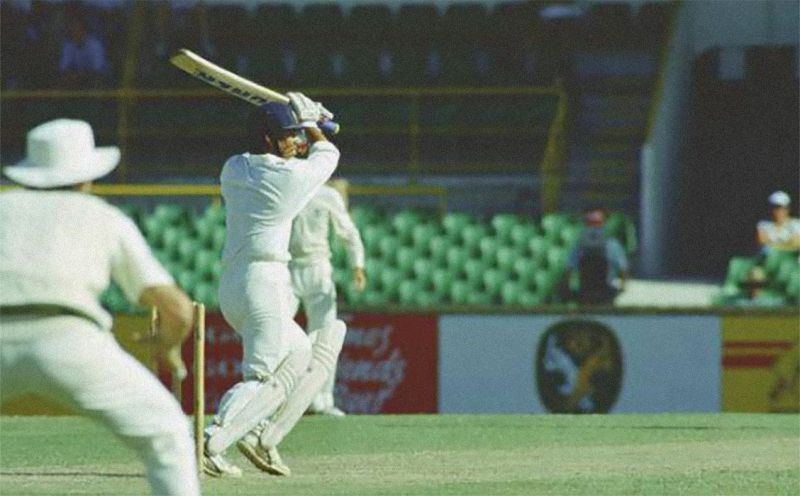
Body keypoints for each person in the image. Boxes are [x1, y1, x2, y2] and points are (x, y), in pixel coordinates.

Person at [0, 119, 199, 496]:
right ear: (88, 177)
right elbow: (177, 309)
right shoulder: (103, 216)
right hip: (68, 339)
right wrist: (168, 346)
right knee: (167, 433)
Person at [202, 94, 345, 478]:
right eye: (287, 136)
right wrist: (316, 123)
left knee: (304, 353)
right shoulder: (287, 179)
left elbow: (307, 151)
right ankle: (214, 439)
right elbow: (328, 155)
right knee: (262, 375)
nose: (295, 143)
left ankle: (259, 431)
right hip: (263, 285)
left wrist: (303, 126)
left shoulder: (233, 168)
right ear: (267, 139)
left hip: (237, 284)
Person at [288, 178, 366, 416]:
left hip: (318, 267)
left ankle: (323, 399)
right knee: (278, 332)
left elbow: (348, 231)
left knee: (324, 335)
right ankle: (279, 400)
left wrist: (358, 266)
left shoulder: (327, 195)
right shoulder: (286, 189)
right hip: (286, 268)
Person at [565, 208, 629, 305]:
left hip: (600, 293)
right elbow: (622, 269)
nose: (594, 228)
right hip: (588, 293)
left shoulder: (612, 245)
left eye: (597, 223)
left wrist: (622, 286)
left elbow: (569, 269)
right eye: (591, 223)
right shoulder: (579, 246)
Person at [58, 16, 110, 88]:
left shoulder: (95, 45)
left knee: (97, 82)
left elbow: (98, 69)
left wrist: (79, 75)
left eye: (77, 30)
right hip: (77, 78)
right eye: (72, 30)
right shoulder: (68, 46)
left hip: (98, 78)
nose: (74, 33)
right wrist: (71, 76)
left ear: (84, 31)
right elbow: (63, 68)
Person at [756, 191, 800, 256]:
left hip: (789, 259)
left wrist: (774, 246)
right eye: (776, 208)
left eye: (782, 208)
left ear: (788, 209)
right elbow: (763, 242)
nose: (779, 211)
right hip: (768, 259)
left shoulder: (796, 224)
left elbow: (796, 244)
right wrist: (787, 244)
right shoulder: (763, 224)